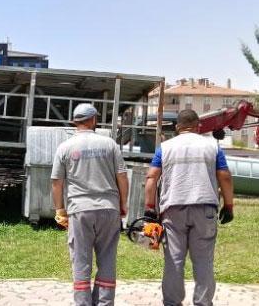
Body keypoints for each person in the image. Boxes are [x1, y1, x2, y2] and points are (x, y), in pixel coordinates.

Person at [144, 109, 234, 306]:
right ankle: (203, 302)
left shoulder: (165, 147)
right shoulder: (212, 146)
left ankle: (172, 302)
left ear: (177, 127)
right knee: (203, 261)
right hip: (205, 209)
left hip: (173, 209)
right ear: (198, 126)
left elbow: (151, 177)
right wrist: (228, 205)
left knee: (174, 259)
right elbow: (225, 177)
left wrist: (149, 208)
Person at [51, 103, 129, 306]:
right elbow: (122, 177)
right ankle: (104, 303)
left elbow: (56, 182)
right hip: (108, 208)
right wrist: (123, 204)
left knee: (80, 260)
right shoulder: (109, 144)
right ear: (94, 120)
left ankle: (83, 303)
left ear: (74, 122)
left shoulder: (65, 147)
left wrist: (60, 209)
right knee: (107, 259)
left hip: (80, 210)